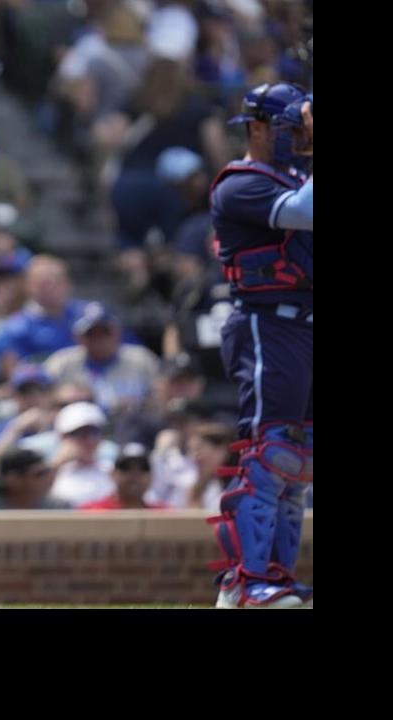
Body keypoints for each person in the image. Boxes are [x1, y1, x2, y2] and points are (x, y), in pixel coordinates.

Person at [207, 83, 313, 609]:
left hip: (305, 326)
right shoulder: (241, 181)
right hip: (267, 322)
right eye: (290, 129)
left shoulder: (299, 176)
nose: (297, 139)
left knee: (300, 462)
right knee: (270, 453)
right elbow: (301, 213)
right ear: (256, 127)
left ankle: (276, 577)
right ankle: (245, 582)